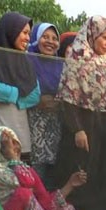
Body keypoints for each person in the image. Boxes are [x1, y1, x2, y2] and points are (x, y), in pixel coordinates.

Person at [54, 16, 106, 210]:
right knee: (84, 171)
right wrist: (77, 129)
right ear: (93, 34)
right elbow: (68, 95)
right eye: (105, 37)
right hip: (84, 123)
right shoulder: (77, 55)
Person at [0, 12, 40, 158]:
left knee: (19, 175)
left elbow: (35, 95)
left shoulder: (25, 62)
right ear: (11, 30)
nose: (28, 38)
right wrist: (21, 96)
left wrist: (11, 97)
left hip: (19, 131)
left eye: (29, 34)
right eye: (24, 33)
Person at [27, 22, 64, 187]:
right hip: (30, 120)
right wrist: (37, 101)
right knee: (33, 169)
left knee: (52, 170)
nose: (50, 41)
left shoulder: (61, 65)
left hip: (55, 122)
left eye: (54, 38)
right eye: (45, 37)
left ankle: (45, 207)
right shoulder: (25, 59)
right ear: (35, 37)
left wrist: (59, 102)